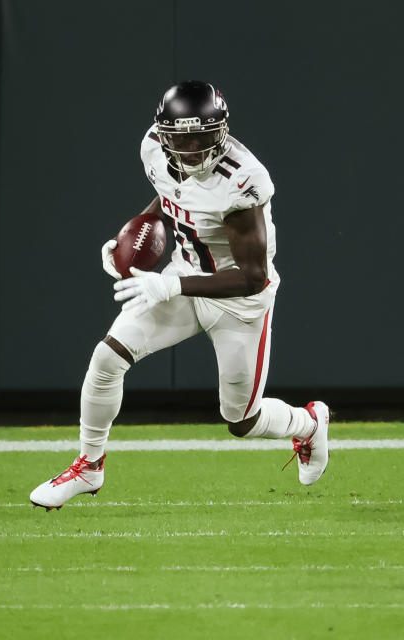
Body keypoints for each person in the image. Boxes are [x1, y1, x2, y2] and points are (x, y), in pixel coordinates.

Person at [30, 81, 330, 511]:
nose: (191, 150)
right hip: (183, 276)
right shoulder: (154, 148)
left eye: (202, 138)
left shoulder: (243, 181)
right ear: (163, 135)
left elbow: (252, 277)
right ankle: (89, 466)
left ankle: (309, 423)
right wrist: (130, 235)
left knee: (241, 421)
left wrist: (172, 284)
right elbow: (172, 195)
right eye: (181, 139)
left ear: (221, 133)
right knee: (107, 358)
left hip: (239, 303)